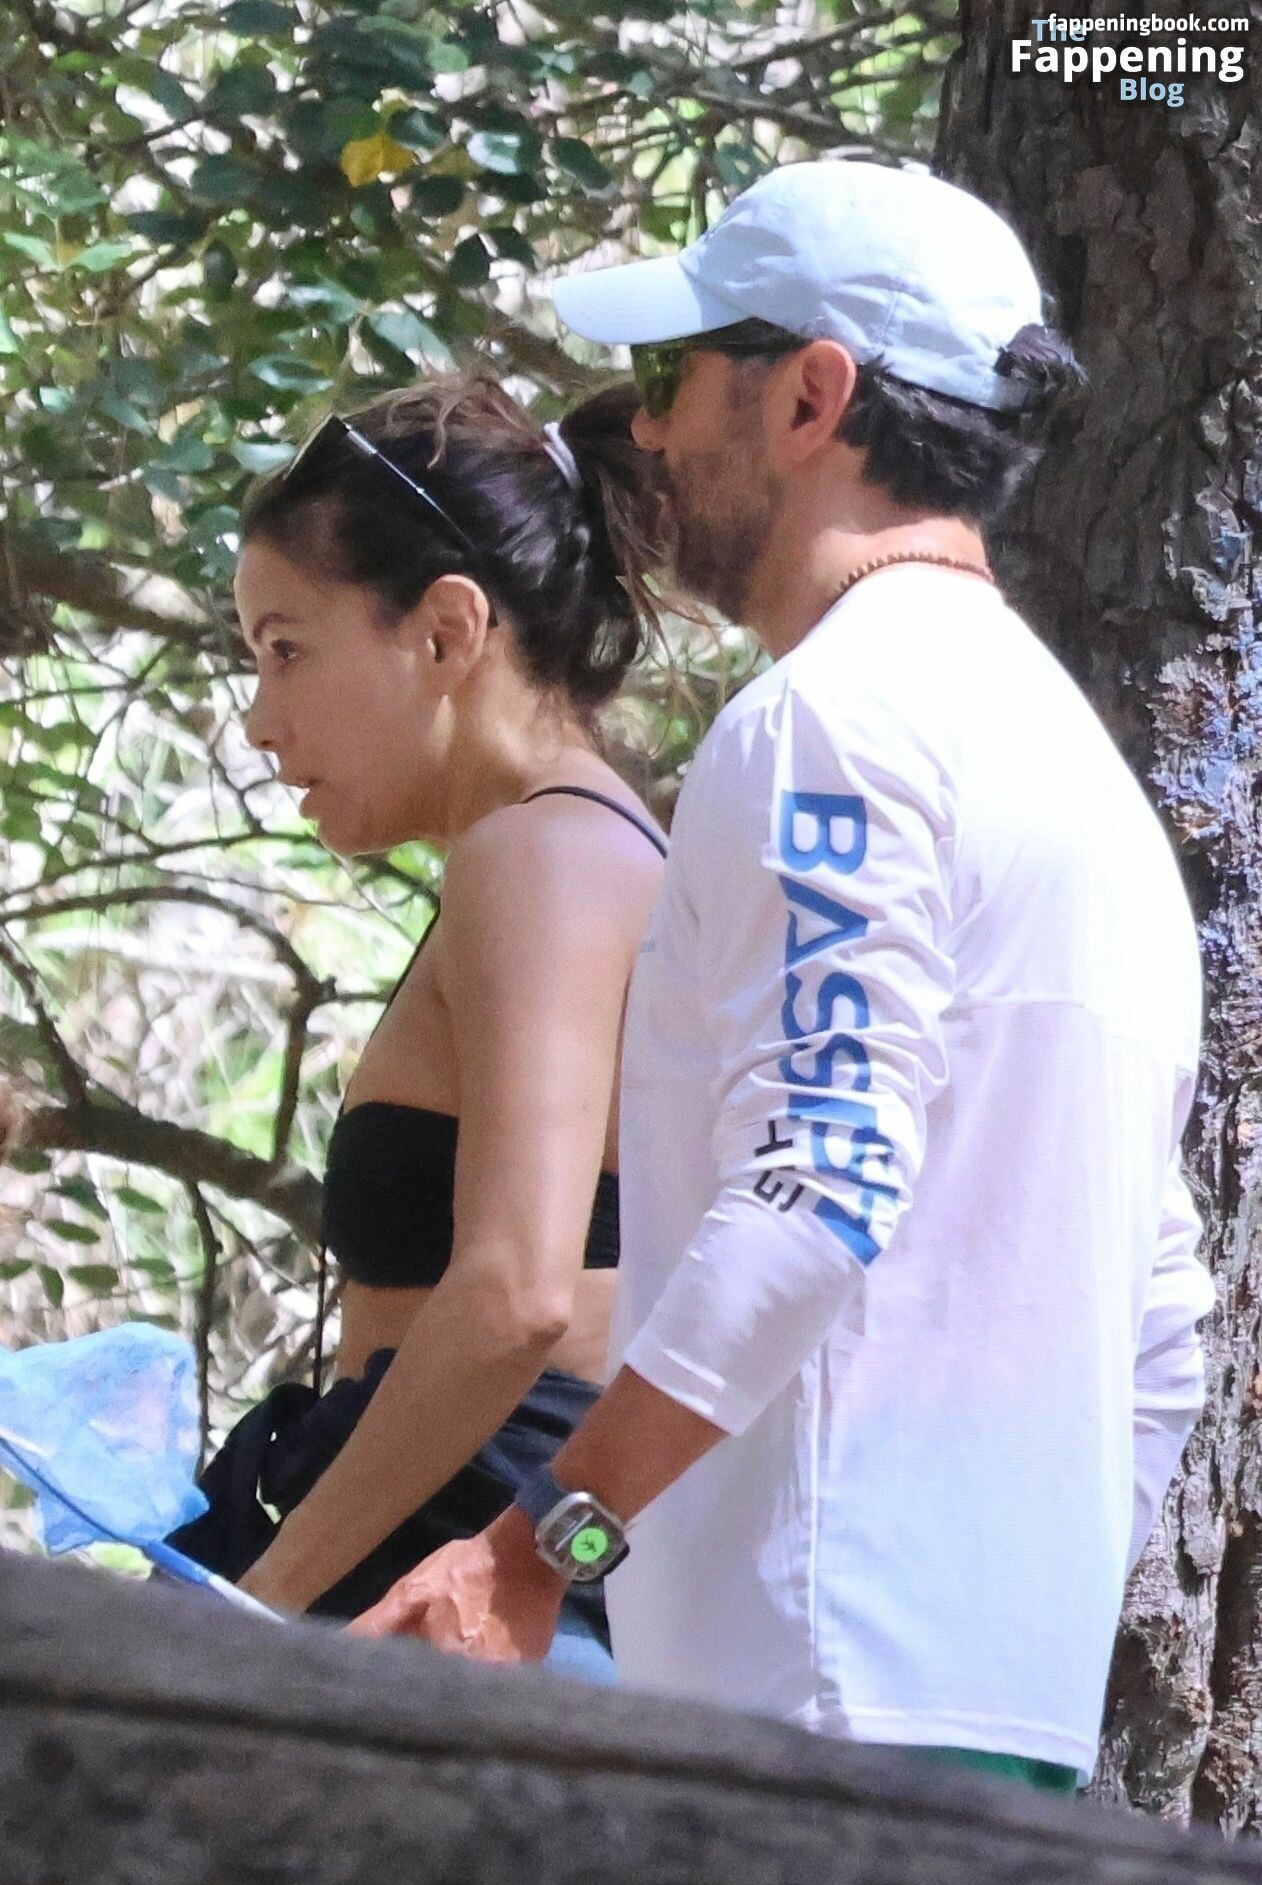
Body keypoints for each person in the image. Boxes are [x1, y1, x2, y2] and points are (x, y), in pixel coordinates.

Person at [350, 162, 1215, 1793]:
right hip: (993, 1711)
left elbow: (818, 1185)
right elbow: (1162, 1322)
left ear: (813, 396)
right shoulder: (1078, 776)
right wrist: (1004, 1611)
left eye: (676, 375)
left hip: (808, 1691)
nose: (647, 430)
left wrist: (536, 1547)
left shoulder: (831, 722)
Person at [169, 373, 676, 1683]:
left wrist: (261, 1608)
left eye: (287, 650)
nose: (260, 722)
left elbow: (514, 1295)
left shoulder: (541, 854)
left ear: (448, 629)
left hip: (460, 1595)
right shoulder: (571, 846)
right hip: (461, 1558)